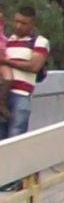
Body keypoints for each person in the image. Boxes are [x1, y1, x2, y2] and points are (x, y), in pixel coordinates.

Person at [4, 8, 50, 139]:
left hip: (21, 96)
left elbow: (34, 66)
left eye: (23, 23)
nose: (18, 26)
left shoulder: (39, 42)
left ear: (32, 24)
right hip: (3, 95)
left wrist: (6, 61)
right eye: (16, 22)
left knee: (16, 138)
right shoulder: (8, 41)